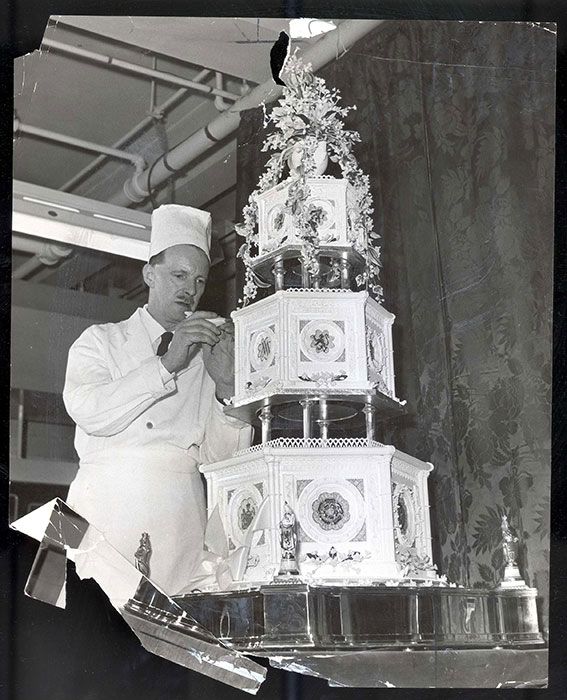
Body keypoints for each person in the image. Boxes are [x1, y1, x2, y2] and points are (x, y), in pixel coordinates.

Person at [63, 204, 252, 595]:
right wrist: (167, 364)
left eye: (199, 281)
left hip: (179, 516)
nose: (190, 290)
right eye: (179, 275)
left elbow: (220, 461)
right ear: (150, 274)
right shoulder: (100, 341)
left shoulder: (208, 355)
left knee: (173, 640)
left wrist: (227, 390)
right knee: (75, 626)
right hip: (100, 505)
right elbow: (90, 412)